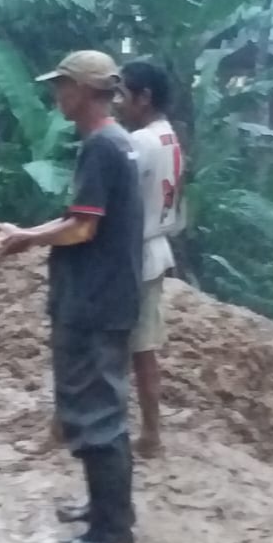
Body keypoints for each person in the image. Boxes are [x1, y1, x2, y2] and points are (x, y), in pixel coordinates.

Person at [0, 50, 142, 543]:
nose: (56, 94)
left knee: (97, 411)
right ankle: (104, 509)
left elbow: (82, 226)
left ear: (83, 89)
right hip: (104, 296)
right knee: (96, 405)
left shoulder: (102, 146)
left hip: (95, 302)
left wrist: (24, 240)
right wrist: (30, 233)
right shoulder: (113, 143)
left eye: (62, 85)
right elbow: (81, 217)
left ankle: (111, 528)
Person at [116, 60, 183, 458]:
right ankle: (151, 433)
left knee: (125, 351)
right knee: (143, 351)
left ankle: (147, 434)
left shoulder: (138, 143)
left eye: (123, 93)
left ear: (145, 97)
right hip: (156, 248)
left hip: (134, 254)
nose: (118, 102)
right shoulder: (169, 138)